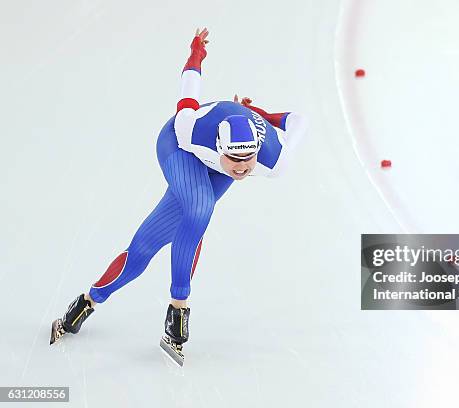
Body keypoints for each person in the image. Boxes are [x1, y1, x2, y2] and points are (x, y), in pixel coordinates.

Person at [50, 27, 306, 366]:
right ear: (219, 147)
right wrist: (197, 51)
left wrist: (260, 112)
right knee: (200, 208)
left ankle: (85, 302)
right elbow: (190, 87)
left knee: (143, 248)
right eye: (235, 159)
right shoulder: (191, 130)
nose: (243, 169)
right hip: (178, 150)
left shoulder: (274, 159)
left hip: (214, 168)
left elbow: (299, 121)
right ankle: (178, 310)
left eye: (248, 160)